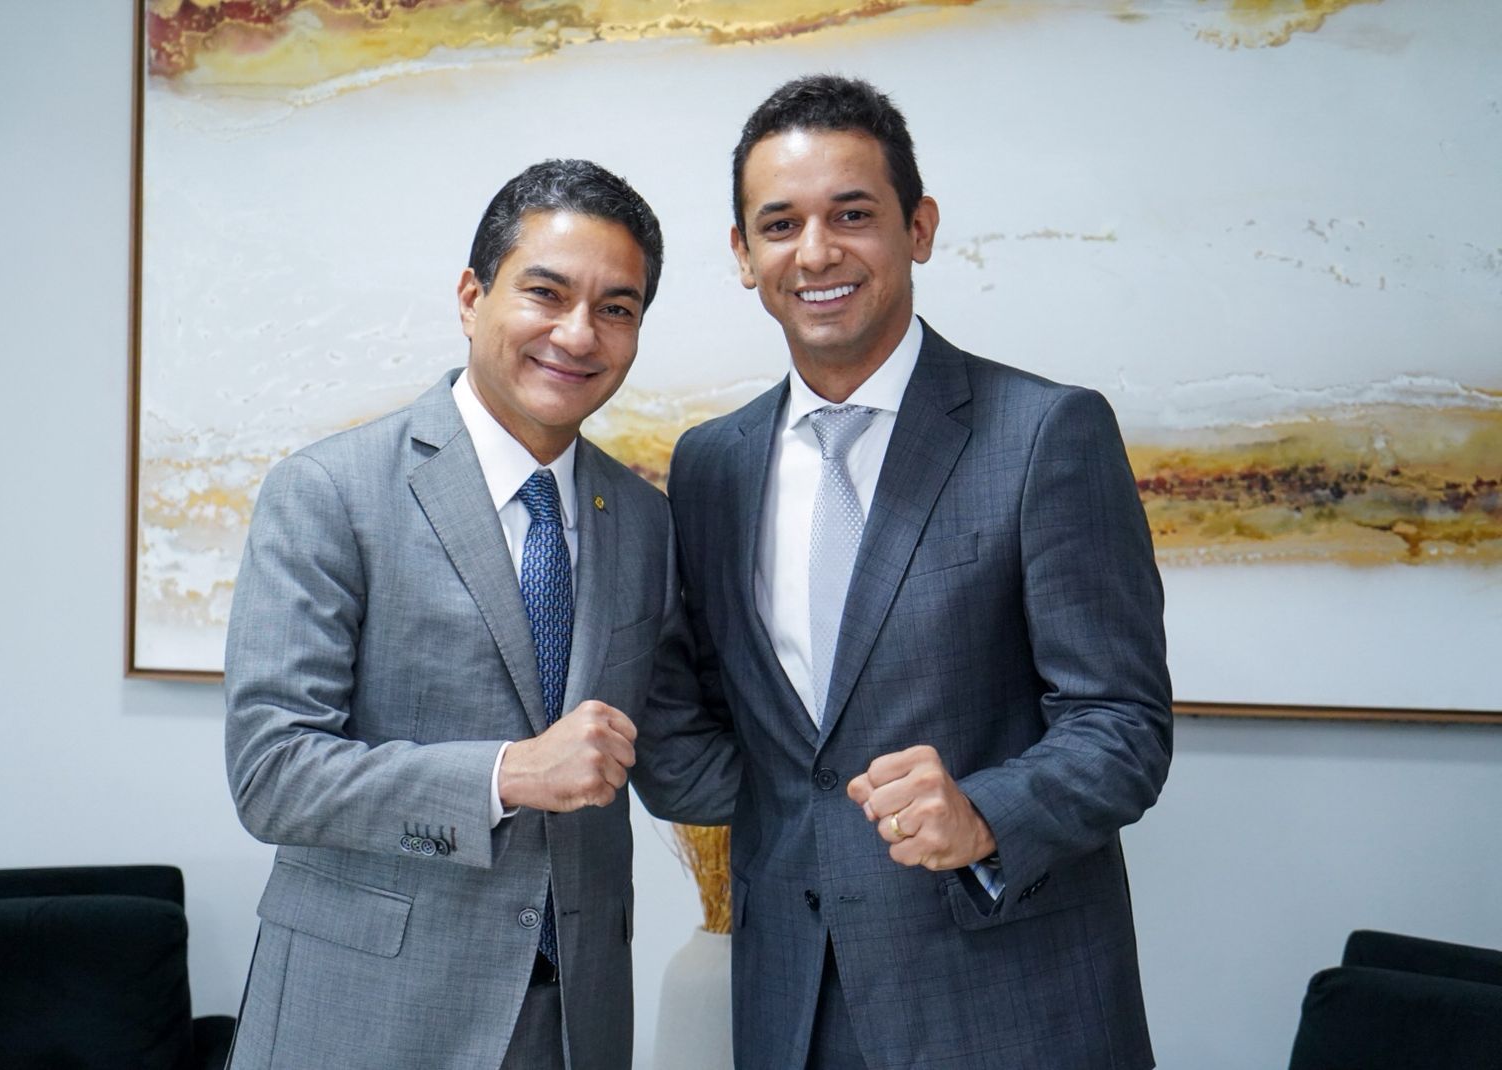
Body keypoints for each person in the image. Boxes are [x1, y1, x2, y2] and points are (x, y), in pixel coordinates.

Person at [663, 75, 1173, 1069]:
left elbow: (1122, 725)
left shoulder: (1045, 433)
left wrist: (983, 813)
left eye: (852, 214)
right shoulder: (709, 465)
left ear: (920, 228)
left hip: (1005, 1004)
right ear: (743, 254)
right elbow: (719, 720)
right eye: (780, 224)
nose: (816, 252)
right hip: (789, 1003)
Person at [223, 158, 732, 1070]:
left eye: (616, 308)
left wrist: (855, 765)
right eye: (546, 293)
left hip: (571, 1021)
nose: (578, 334)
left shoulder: (644, 520)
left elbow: (676, 761)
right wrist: (508, 774)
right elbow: (275, 774)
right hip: (369, 1020)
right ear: (471, 297)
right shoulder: (328, 491)